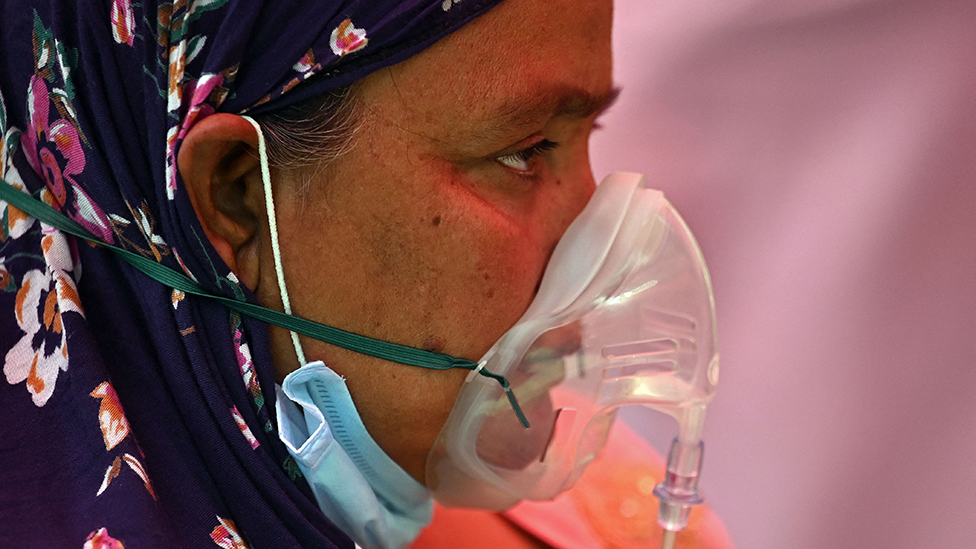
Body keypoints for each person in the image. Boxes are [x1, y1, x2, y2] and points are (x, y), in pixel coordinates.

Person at [0, 0, 730, 547]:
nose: (596, 250)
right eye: (526, 151)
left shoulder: (599, 520)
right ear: (237, 196)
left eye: (585, 135)